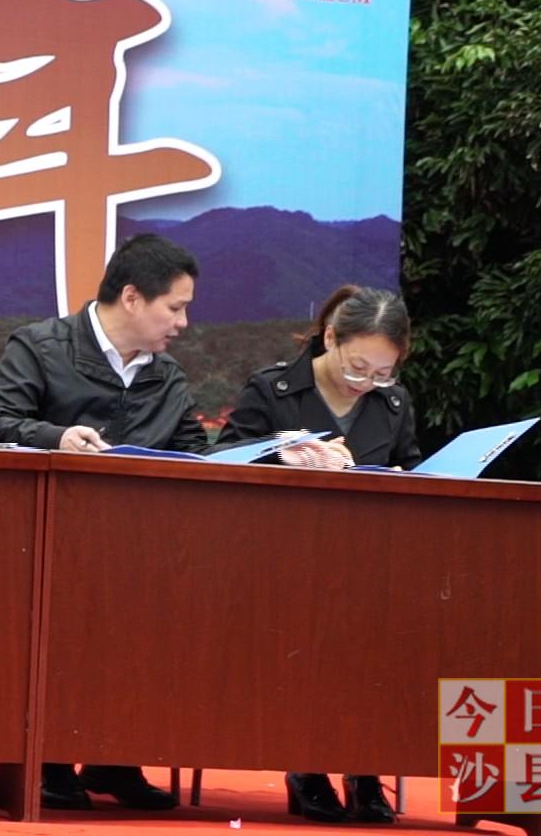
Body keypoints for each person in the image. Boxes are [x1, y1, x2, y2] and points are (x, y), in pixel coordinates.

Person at [0, 232, 199, 812]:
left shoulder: (167, 375)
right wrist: (56, 437)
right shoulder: (40, 347)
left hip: (140, 545)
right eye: (175, 308)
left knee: (152, 627)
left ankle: (115, 757)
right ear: (132, 297)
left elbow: (195, 452)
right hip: (45, 542)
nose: (183, 323)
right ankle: (48, 761)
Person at [212, 284, 415, 823]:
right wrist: (283, 456)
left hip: (365, 562)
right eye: (356, 367)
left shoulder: (393, 404)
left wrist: (402, 478)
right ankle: (307, 767)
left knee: (383, 635)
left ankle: (365, 769)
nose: (365, 383)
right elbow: (220, 458)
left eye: (382, 373)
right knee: (306, 630)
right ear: (330, 338)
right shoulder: (275, 388)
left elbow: (409, 466)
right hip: (278, 561)